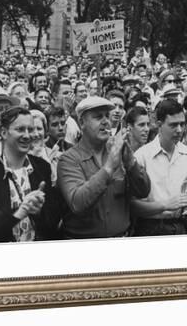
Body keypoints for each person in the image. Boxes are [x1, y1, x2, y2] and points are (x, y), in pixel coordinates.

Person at [0, 107, 63, 243]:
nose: (27, 135)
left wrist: (39, 212)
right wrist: (18, 213)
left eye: (30, 129)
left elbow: (53, 221)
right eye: (20, 129)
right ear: (4, 133)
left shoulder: (42, 168)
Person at [57, 96, 151, 239]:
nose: (105, 121)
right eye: (98, 117)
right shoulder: (69, 159)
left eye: (107, 116)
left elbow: (143, 191)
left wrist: (130, 162)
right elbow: (78, 203)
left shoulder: (118, 152)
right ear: (81, 123)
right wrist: (109, 167)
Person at [131, 99, 187, 236]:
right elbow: (133, 206)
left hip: (180, 226)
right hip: (150, 229)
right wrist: (165, 205)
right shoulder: (142, 156)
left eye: (182, 124)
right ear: (159, 125)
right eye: (173, 125)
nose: (179, 130)